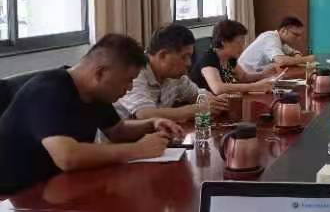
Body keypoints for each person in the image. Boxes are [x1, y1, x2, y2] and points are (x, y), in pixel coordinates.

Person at [0, 34, 184, 194]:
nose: (129, 88)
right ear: (100, 73)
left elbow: (118, 131)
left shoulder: (96, 94)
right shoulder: (47, 90)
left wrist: (152, 123)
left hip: (59, 186)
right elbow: (67, 157)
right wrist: (138, 150)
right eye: (127, 80)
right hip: (16, 194)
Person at [115, 24, 228, 122]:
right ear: (163, 55)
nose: (189, 63)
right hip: (123, 139)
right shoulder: (135, 72)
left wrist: (215, 102)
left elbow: (197, 94)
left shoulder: (175, 76)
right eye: (184, 57)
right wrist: (196, 109)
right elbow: (145, 114)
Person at [191, 19, 278, 94]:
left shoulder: (230, 58)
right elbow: (218, 88)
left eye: (243, 43)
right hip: (205, 105)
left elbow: (243, 77)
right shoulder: (208, 58)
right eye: (239, 43)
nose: (242, 47)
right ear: (223, 42)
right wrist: (255, 86)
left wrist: (263, 75)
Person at [239, 16, 316, 73]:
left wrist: (297, 57)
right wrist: (306, 59)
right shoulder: (270, 37)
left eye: (300, 35)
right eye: (296, 34)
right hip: (246, 76)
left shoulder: (280, 41)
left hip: (257, 74)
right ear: (283, 31)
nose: (299, 38)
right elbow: (281, 61)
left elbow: (294, 52)